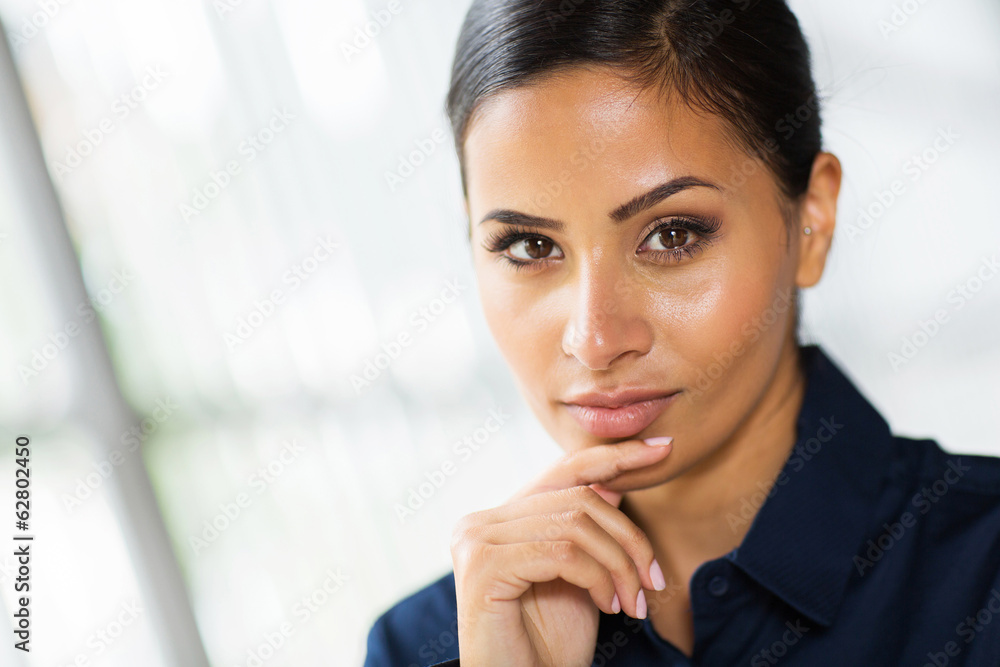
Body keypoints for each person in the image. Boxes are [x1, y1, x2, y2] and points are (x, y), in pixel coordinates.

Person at [365, 1, 1000, 664]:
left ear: (811, 220)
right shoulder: (431, 644)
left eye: (672, 236)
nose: (595, 338)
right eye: (528, 246)